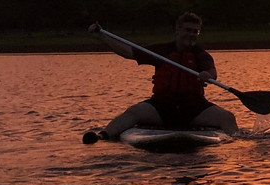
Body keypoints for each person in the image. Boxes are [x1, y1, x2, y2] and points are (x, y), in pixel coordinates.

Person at [83, 12, 238, 143]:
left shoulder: (201, 55)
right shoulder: (161, 50)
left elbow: (212, 72)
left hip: (194, 107)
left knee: (227, 117)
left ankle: (237, 142)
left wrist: (207, 75)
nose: (191, 35)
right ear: (177, 30)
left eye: (195, 31)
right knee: (133, 112)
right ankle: (102, 136)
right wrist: (102, 37)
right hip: (162, 105)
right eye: (188, 30)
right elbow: (128, 52)